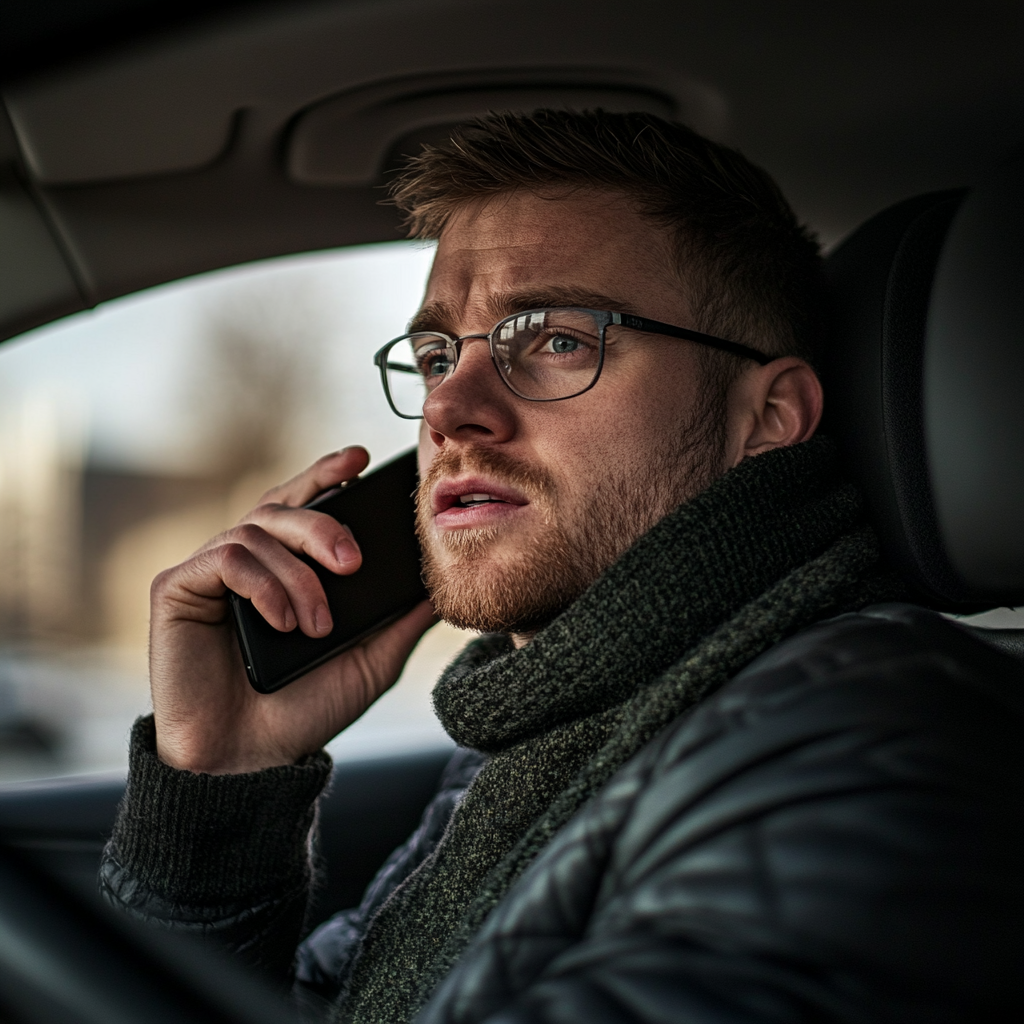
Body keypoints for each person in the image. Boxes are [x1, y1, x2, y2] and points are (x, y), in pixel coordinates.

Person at [100, 111, 1020, 1022]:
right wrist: (219, 789)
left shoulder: (864, 750)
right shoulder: (537, 730)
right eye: (434, 354)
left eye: (555, 339)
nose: (448, 412)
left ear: (770, 416)